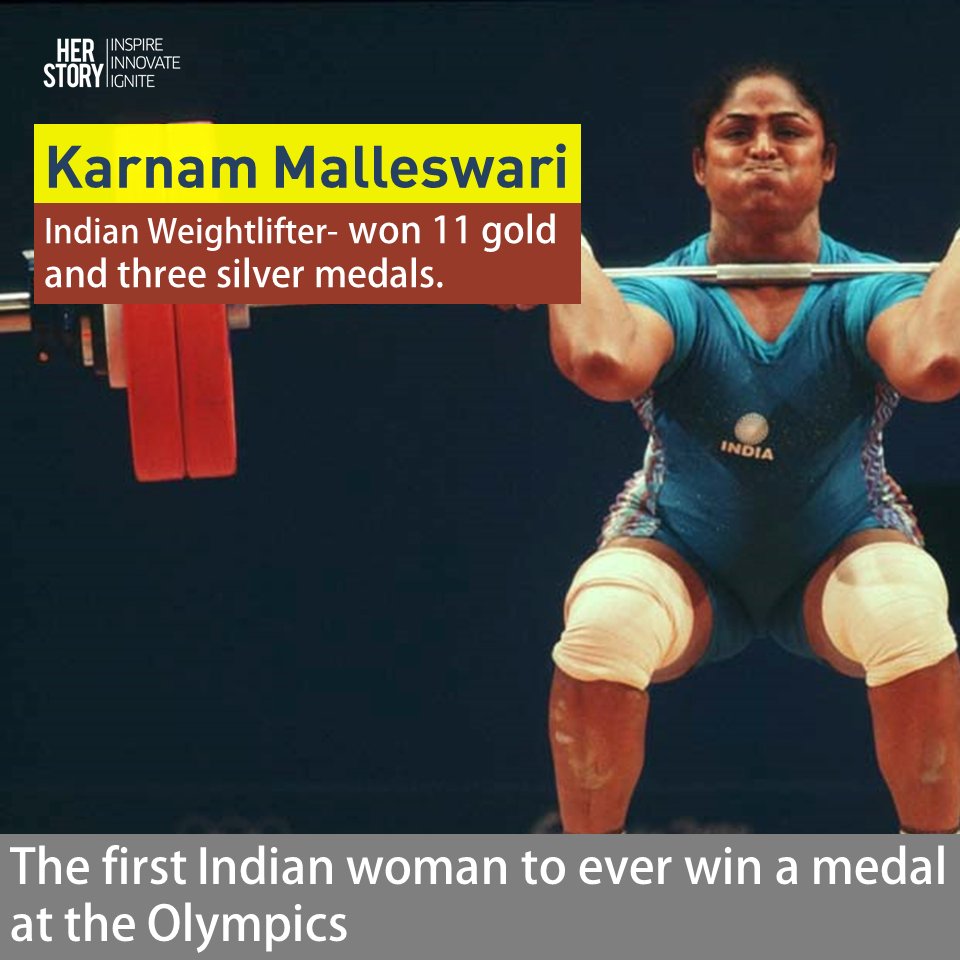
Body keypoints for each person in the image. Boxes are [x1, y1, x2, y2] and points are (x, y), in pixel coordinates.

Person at [505, 63, 960, 834]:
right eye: (737, 131)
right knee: (604, 625)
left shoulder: (870, 290)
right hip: (680, 548)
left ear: (826, 161)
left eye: (789, 130)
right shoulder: (669, 293)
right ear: (701, 164)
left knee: (908, 613)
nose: (763, 147)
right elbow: (604, 362)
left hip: (842, 543)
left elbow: (934, 365)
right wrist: (556, 248)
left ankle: (936, 878)